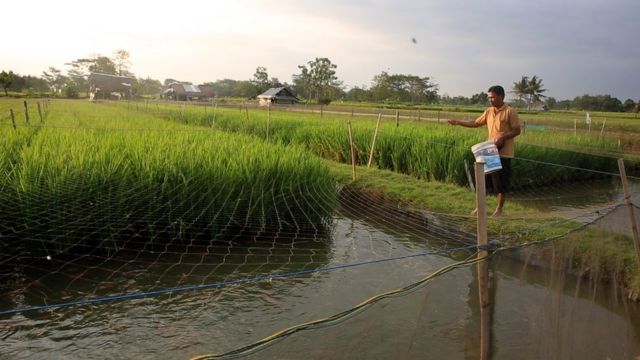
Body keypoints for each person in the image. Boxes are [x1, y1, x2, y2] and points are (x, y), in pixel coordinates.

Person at [448, 85, 521, 217]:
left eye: (492, 97)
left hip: (504, 153)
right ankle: (480, 207)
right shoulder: (488, 111)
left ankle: (499, 210)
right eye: (489, 97)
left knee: (501, 183)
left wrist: (503, 136)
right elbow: (475, 123)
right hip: (489, 152)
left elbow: (517, 130)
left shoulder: (510, 111)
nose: (490, 100)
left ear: (501, 96)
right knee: (484, 181)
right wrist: (458, 122)